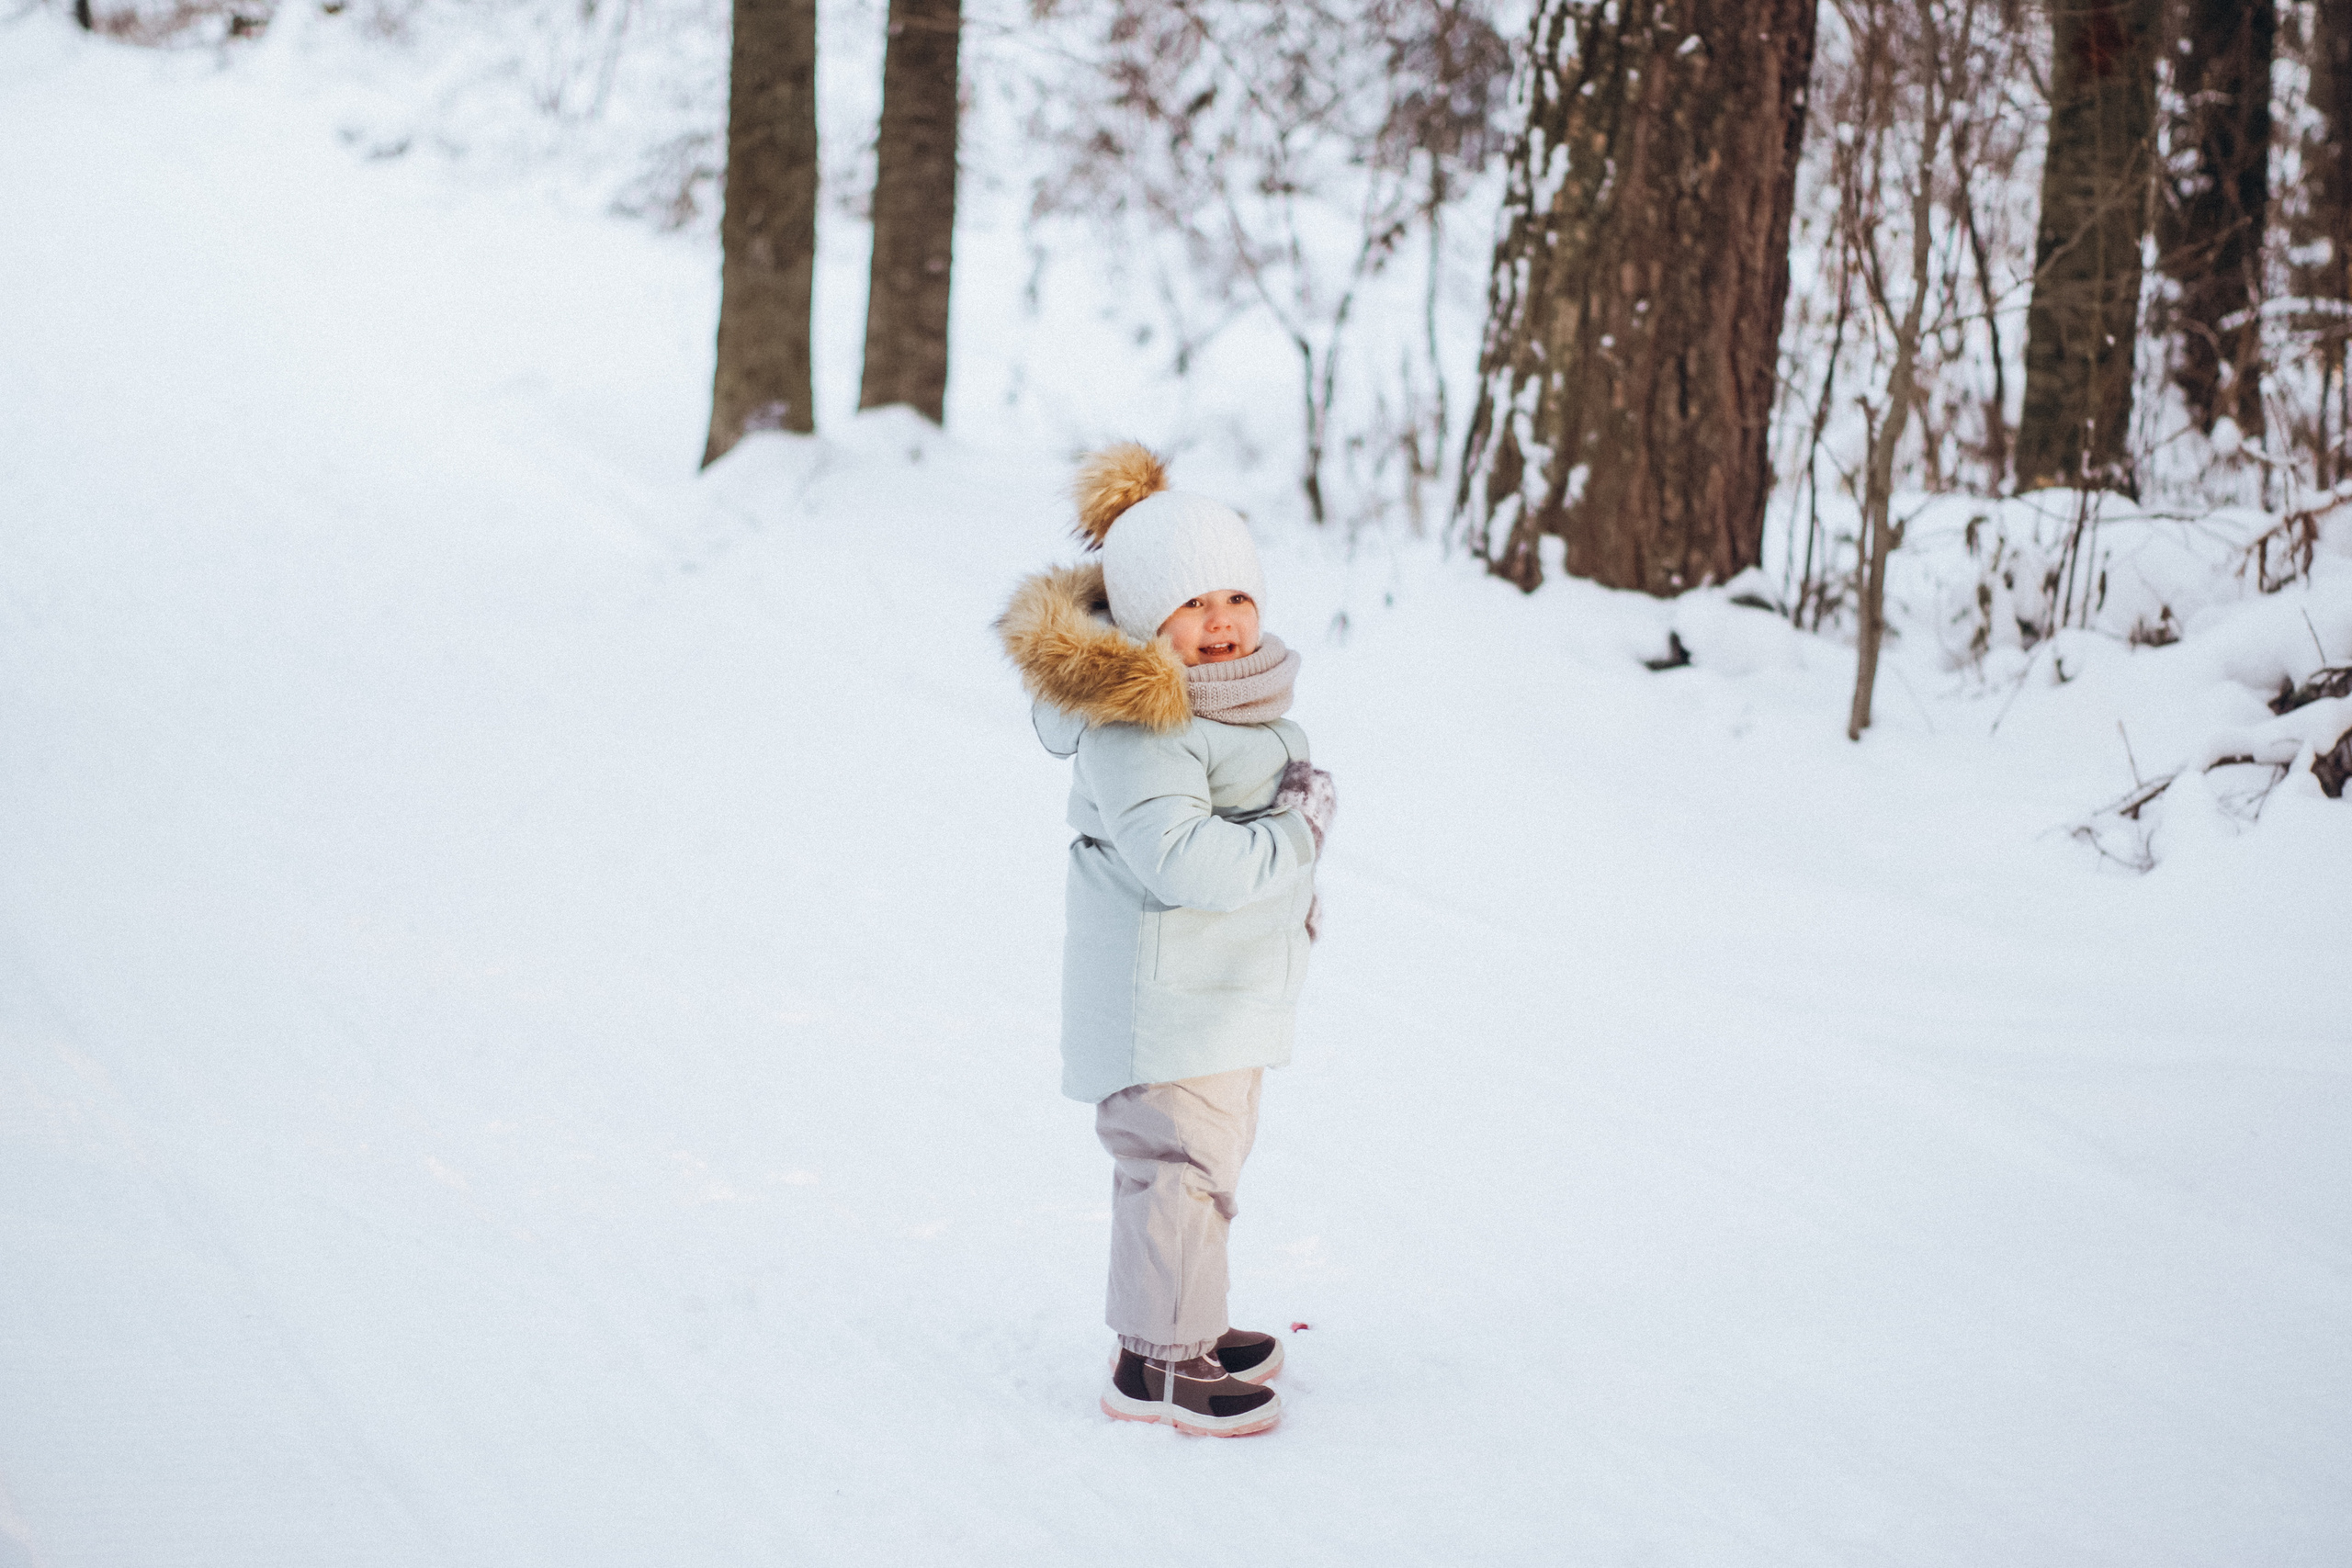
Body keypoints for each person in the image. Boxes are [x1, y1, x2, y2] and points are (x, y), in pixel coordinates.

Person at [997, 443, 1337, 1438]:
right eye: (1193, 604)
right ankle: (1159, 1367)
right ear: (1147, 618)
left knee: (1202, 1175)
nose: (1222, 618)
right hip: (1165, 1004)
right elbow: (1185, 862)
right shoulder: (1139, 726)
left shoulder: (1225, 707)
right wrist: (1296, 833)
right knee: (1176, 1173)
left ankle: (1181, 1322)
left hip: (1213, 993)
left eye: (1237, 594)